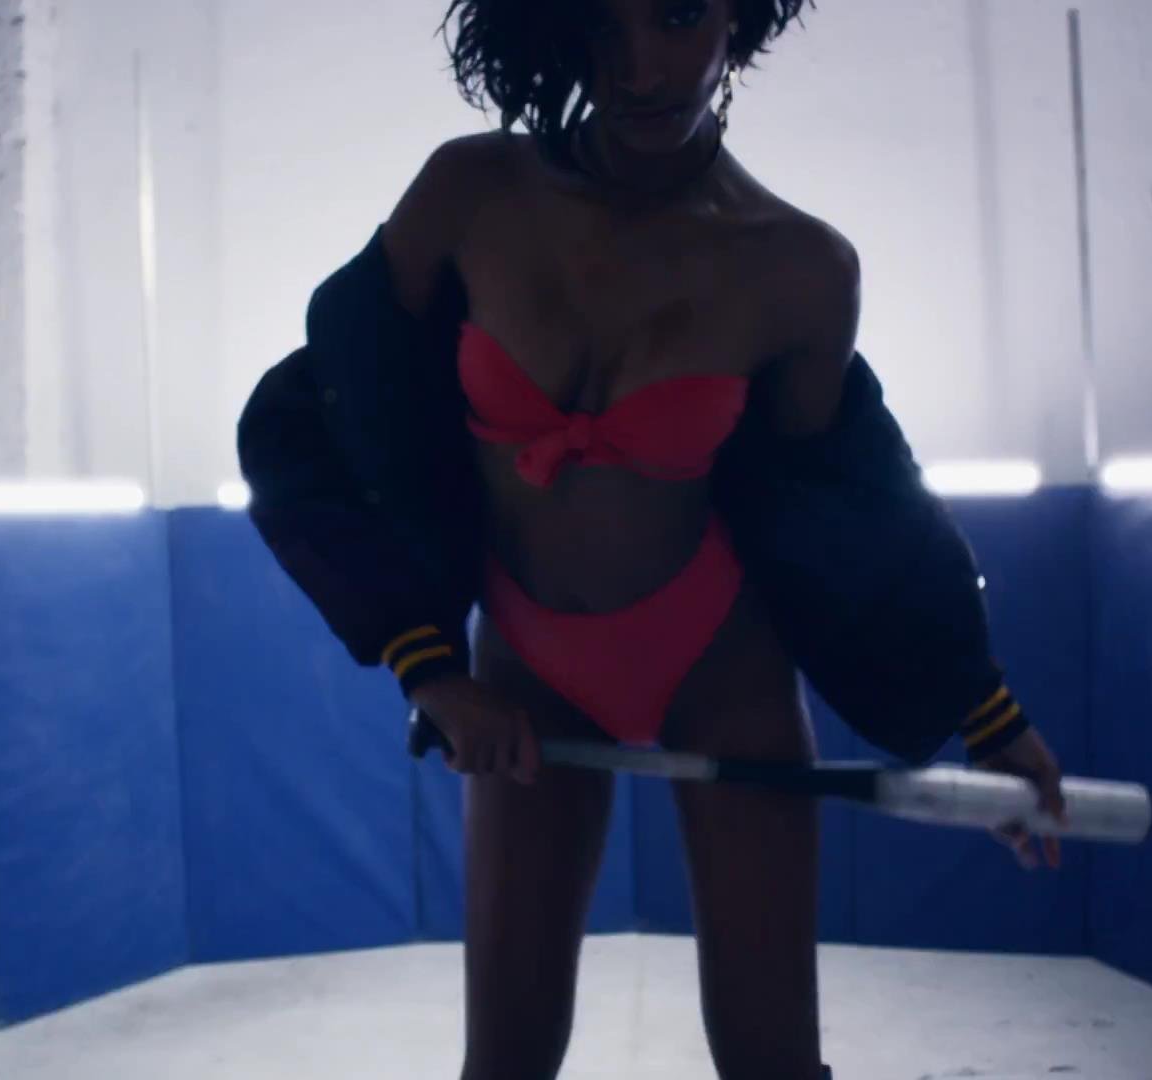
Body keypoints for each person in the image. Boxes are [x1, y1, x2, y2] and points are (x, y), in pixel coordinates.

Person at [241, 1, 1066, 1076]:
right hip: (527, 670)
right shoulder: (468, 194)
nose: (640, 68)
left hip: (724, 667)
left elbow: (859, 510)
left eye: (678, 17)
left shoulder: (802, 269)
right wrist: (428, 668)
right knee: (503, 1067)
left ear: (740, 14)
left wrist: (988, 714)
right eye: (601, 23)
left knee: (773, 1068)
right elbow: (322, 423)